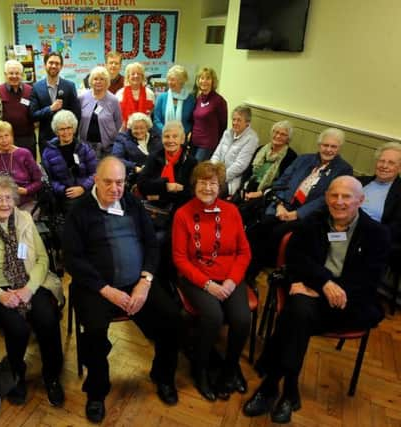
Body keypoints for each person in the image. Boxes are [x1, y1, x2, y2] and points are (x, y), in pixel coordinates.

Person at [243, 176, 389, 423]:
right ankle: (289, 391)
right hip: (311, 296)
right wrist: (324, 283)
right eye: (334, 195)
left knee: (295, 315)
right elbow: (297, 258)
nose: (339, 202)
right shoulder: (312, 223)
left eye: (346, 197)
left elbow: (368, 280)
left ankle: (271, 386)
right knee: (299, 312)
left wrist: (323, 287)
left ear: (360, 200)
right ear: (326, 197)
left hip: (349, 302)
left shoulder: (376, 234)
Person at [64, 156, 181, 423]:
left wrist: (145, 281)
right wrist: (105, 289)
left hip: (136, 284)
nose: (115, 189)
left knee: (172, 317)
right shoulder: (80, 211)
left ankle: (162, 375)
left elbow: (152, 245)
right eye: (108, 182)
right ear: (95, 180)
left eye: (120, 182)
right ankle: (96, 391)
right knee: (93, 330)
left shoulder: (131, 203)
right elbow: (73, 259)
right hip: (97, 287)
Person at [0, 176, 65, 407]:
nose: (5, 203)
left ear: (15, 200)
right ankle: (16, 374)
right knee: (17, 327)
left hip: (27, 281)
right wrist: (0, 295)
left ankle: (52, 375)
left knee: (47, 318)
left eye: (9, 198)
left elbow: (42, 258)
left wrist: (29, 289)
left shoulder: (25, 219)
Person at [172, 161, 251, 402]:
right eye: (203, 182)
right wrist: (208, 285)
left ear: (220, 186)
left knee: (241, 318)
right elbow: (180, 259)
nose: (208, 187)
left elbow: (244, 252)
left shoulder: (231, 211)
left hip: (229, 277)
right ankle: (201, 369)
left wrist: (231, 281)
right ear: (195, 184)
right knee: (213, 316)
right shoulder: (183, 214)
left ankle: (230, 368)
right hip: (196, 277)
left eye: (213, 183)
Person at [245, 128, 353, 284]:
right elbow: (281, 182)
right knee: (260, 225)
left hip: (308, 213)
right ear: (319, 145)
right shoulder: (304, 159)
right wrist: (279, 204)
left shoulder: (343, 169)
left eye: (333, 147)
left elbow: (327, 198)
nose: (328, 150)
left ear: (339, 148)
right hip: (283, 205)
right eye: (325, 145)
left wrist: (298, 214)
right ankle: (245, 264)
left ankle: (252, 272)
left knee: (277, 232)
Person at [0, 121, 42, 211]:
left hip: (23, 202)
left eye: (7, 136)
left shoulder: (24, 153)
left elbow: (39, 181)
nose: (4, 140)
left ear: (12, 136)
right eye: (0, 137)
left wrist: (26, 190)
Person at [41, 110, 97, 210]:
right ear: (56, 131)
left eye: (69, 128)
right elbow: (48, 179)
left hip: (86, 191)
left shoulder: (85, 148)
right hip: (64, 195)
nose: (66, 132)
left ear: (74, 128)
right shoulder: (48, 152)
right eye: (62, 129)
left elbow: (95, 173)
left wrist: (83, 188)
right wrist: (64, 190)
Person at [137, 120, 197, 210]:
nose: (170, 140)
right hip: (153, 209)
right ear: (162, 139)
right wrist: (166, 186)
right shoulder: (154, 157)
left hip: (179, 209)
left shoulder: (191, 162)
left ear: (182, 139)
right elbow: (142, 185)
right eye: (167, 136)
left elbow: (191, 192)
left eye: (175, 136)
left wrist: (159, 196)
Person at [29, 51, 81, 153]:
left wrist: (72, 136)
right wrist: (50, 109)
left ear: (61, 66)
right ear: (45, 65)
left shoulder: (69, 86)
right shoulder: (36, 87)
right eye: (51, 63)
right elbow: (33, 115)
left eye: (57, 63)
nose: (53, 66)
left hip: (67, 139)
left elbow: (77, 114)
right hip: (46, 140)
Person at [210, 106, 259, 196]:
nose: (235, 123)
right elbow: (216, 154)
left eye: (239, 120)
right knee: (199, 185)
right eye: (234, 119)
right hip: (216, 175)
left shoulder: (252, 139)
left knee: (210, 191)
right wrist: (212, 170)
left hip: (231, 181)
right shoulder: (227, 133)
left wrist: (220, 177)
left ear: (247, 122)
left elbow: (240, 165)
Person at [358, 142, 401, 241]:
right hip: (340, 232)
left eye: (391, 163)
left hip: (370, 239)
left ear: (399, 168)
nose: (384, 166)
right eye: (381, 161)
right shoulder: (359, 181)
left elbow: (395, 230)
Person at [78, 66, 122, 158]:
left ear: (107, 81)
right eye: (95, 79)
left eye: (102, 79)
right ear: (90, 81)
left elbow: (118, 123)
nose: (98, 82)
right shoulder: (82, 98)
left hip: (107, 147)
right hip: (86, 145)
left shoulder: (113, 100)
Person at [0, 60, 37, 157]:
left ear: (22, 75)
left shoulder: (30, 90)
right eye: (11, 73)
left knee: (28, 167)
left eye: (17, 73)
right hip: (6, 140)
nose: (14, 76)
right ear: (5, 74)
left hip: (27, 139)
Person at [190, 67, 228, 161]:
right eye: (202, 78)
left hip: (207, 145)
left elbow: (223, 125)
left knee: (198, 171)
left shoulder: (219, 101)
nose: (204, 81)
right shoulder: (198, 98)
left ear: (213, 81)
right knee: (189, 169)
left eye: (208, 78)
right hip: (194, 142)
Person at [111, 112, 162, 177]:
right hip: (133, 176)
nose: (139, 131)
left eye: (142, 128)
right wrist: (134, 167)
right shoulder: (122, 138)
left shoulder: (156, 137)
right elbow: (116, 158)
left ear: (147, 127)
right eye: (135, 128)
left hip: (155, 175)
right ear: (130, 128)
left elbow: (161, 155)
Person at [152, 65, 195, 140]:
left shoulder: (190, 99)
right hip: (163, 138)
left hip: (182, 139)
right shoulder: (162, 97)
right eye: (168, 80)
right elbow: (156, 119)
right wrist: (168, 133)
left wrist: (182, 133)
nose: (170, 82)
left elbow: (192, 121)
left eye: (173, 80)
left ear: (182, 81)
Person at [115, 61, 156, 128]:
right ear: (128, 77)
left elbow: (151, 112)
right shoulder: (119, 94)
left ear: (142, 76)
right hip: (124, 132)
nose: (136, 76)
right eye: (133, 74)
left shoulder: (150, 94)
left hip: (145, 132)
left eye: (138, 74)